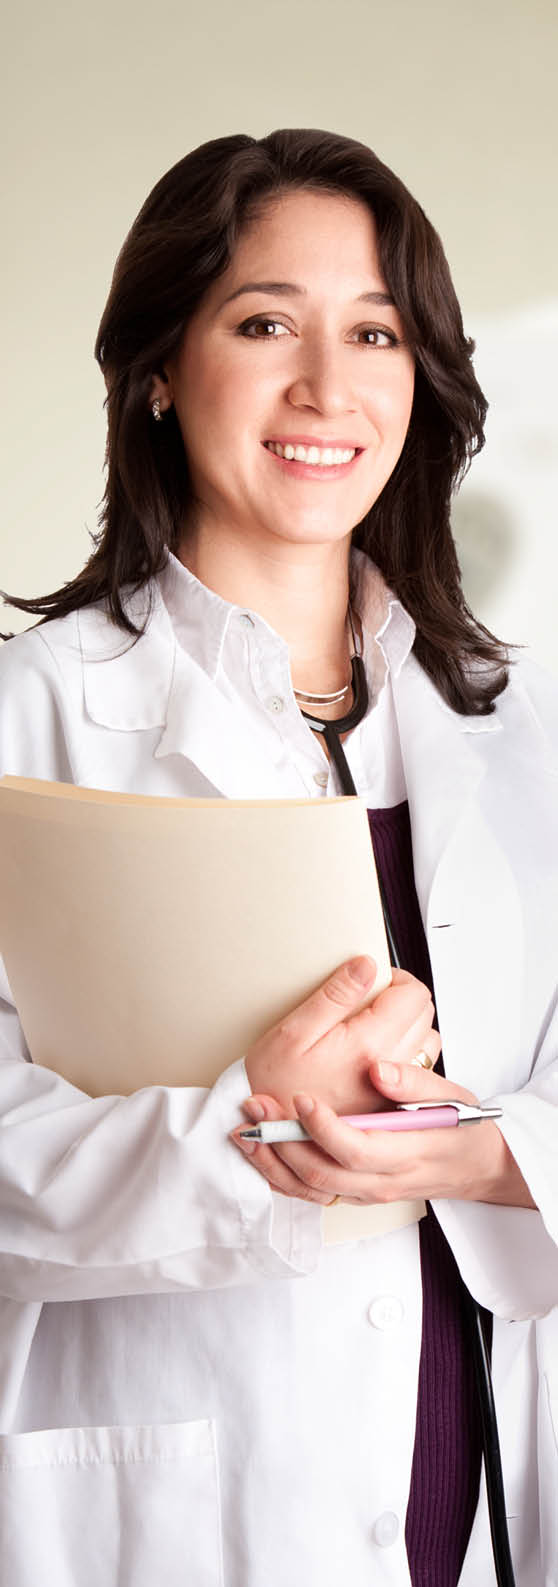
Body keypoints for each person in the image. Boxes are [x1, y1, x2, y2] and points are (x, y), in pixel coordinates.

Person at [0, 128, 557, 1587]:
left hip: (479, 1475)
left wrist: (502, 1155)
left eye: (373, 332)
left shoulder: (521, 732)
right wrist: (251, 1135)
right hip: (184, 1495)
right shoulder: (31, 719)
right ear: (158, 367)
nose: (326, 388)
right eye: (264, 323)